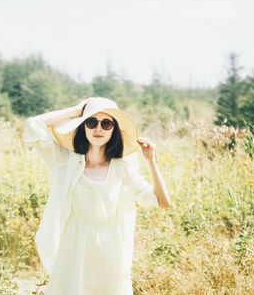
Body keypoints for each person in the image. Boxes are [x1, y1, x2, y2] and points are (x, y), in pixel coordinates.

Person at [23, 96, 171, 295]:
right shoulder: (65, 162)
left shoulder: (123, 169)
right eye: (91, 122)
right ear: (83, 126)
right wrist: (75, 111)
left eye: (106, 123)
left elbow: (162, 202)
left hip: (110, 252)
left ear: (114, 130)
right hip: (74, 248)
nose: (98, 129)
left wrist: (151, 160)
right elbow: (33, 125)